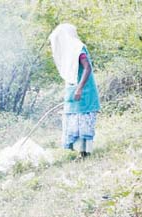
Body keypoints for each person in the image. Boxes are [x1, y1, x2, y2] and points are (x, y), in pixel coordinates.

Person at [49, 23, 100, 158]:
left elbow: (87, 67)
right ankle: (79, 152)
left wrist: (80, 88)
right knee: (74, 121)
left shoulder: (78, 48)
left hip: (84, 91)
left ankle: (86, 153)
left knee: (83, 121)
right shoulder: (69, 52)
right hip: (73, 91)